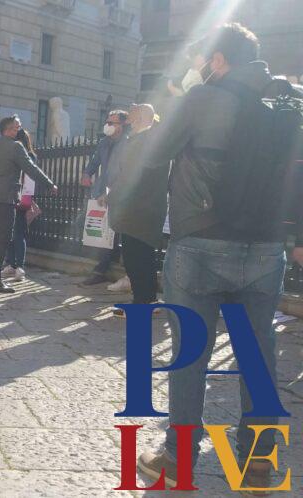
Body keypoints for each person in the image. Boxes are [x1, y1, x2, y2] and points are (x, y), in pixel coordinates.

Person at [135, 23, 303, 490]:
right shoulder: (290, 101)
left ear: (220, 60)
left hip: (201, 243)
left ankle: (177, 457)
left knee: (191, 353)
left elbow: (154, 152)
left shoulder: (203, 97)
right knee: (258, 352)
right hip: (267, 246)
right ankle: (259, 458)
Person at [0, 115, 58, 293]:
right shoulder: (16, 147)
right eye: (17, 127)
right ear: (9, 129)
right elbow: (31, 168)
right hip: (6, 199)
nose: (19, 130)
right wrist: (49, 184)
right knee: (4, 239)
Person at [107, 104, 167, 316]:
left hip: (141, 207)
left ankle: (144, 302)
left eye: (134, 111)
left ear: (142, 116)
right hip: (139, 206)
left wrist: (114, 194)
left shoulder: (148, 139)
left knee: (138, 255)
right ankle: (146, 300)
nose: (129, 113)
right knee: (138, 255)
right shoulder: (142, 138)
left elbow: (132, 175)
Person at [79, 110, 130, 286]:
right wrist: (87, 173)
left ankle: (102, 268)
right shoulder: (104, 142)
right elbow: (94, 161)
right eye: (107, 121)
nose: (108, 125)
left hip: (119, 192)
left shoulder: (129, 143)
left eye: (112, 122)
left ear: (122, 125)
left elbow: (126, 172)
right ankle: (103, 266)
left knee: (115, 230)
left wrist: (111, 192)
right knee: (103, 231)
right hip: (101, 191)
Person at [3, 128, 42, 282]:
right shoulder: (27, 155)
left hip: (19, 196)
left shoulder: (28, 156)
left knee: (18, 232)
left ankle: (19, 265)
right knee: (12, 232)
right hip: (16, 195)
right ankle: (12, 263)